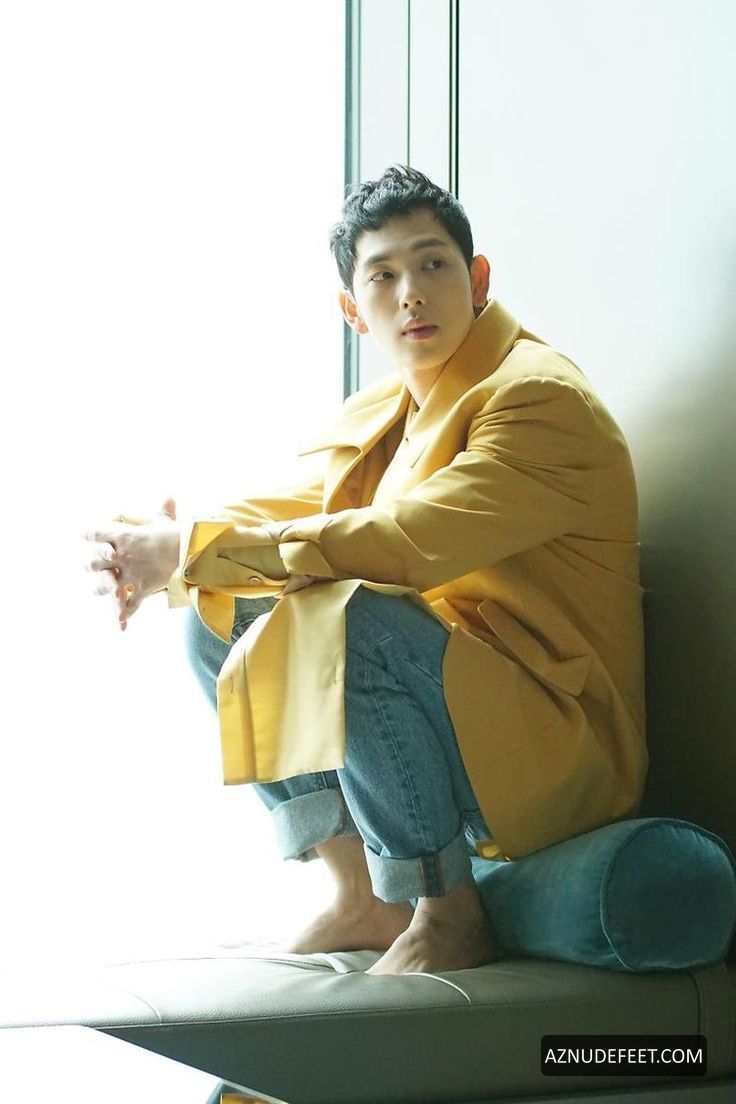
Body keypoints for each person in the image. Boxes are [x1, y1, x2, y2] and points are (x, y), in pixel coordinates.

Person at [83, 165, 647, 976]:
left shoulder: (538, 398)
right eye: (383, 276)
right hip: (460, 718)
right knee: (221, 616)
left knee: (348, 617)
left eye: (433, 264)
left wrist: (194, 549)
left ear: (477, 280)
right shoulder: (388, 409)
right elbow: (294, 510)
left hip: (554, 748)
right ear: (353, 311)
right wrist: (168, 548)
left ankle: (446, 911)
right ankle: (363, 894)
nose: (411, 294)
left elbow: (405, 539)